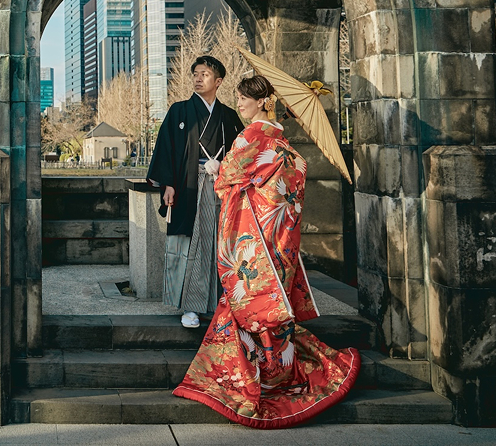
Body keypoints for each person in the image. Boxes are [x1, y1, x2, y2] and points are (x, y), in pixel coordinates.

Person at [173, 75, 359, 428]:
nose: (239, 103)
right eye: (239, 97)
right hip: (278, 237)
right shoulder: (282, 142)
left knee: (249, 302)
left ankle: (253, 380)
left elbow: (227, 178)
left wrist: (216, 166)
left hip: (253, 237)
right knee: (269, 302)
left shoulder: (251, 136)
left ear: (263, 102)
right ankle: (275, 370)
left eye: (244, 98)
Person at [148, 55, 244, 328]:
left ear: (219, 81)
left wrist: (223, 166)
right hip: (187, 185)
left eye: (204, 74)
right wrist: (168, 184)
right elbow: (166, 149)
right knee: (188, 244)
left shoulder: (229, 116)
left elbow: (241, 154)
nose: (198, 78)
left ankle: (216, 304)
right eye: (196, 74)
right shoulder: (179, 111)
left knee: (217, 244)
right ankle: (189, 307)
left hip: (220, 187)